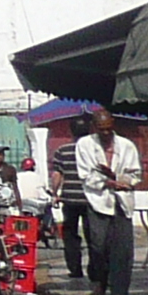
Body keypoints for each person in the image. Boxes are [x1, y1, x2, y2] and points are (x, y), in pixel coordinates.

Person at [71, 109, 144, 295]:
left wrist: (123, 182)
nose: (106, 134)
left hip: (122, 203)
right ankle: (99, 286)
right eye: (101, 130)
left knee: (123, 250)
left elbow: (135, 174)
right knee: (98, 247)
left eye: (109, 130)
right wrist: (108, 182)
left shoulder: (126, 146)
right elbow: (86, 175)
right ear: (94, 127)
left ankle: (120, 294)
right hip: (98, 202)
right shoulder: (85, 145)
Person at [54, 119, 91, 283]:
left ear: (71, 132)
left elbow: (57, 175)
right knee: (93, 236)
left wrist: (55, 194)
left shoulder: (62, 150)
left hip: (69, 198)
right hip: (91, 198)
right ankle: (95, 269)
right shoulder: (94, 150)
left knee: (70, 235)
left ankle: (75, 269)